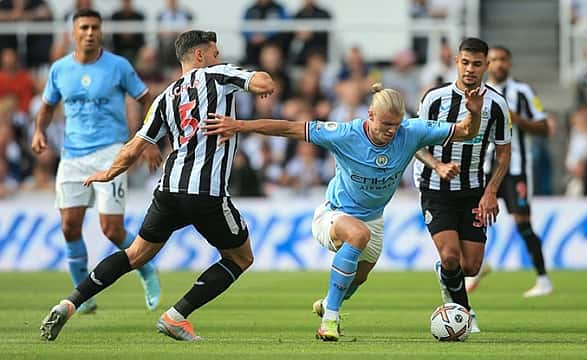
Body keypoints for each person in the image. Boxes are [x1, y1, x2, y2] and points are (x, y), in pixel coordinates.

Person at [39, 29, 275, 342]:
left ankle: (69, 303)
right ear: (200, 56)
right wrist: (255, 86)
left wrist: (109, 173)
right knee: (240, 258)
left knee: (135, 253)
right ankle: (176, 316)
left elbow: (136, 145)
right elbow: (265, 83)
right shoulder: (217, 74)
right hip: (206, 192)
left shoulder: (165, 97)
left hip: (168, 190)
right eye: (214, 53)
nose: (218, 58)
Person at [202, 82, 485, 341]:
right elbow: (288, 128)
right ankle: (330, 320)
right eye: (385, 124)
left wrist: (474, 113)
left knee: (357, 278)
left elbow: (465, 131)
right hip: (333, 215)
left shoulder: (411, 131)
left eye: (396, 126)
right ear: (370, 115)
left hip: (373, 220)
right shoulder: (344, 134)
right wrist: (239, 124)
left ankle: (328, 302)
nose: (391, 131)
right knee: (357, 235)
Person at [31, 9, 162, 314]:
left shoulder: (118, 66)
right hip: (73, 155)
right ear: (73, 33)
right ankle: (84, 296)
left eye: (95, 27)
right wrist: (39, 130)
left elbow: (147, 100)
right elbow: (48, 105)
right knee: (69, 226)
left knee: (111, 229)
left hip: (110, 153)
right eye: (84, 27)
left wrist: (149, 141)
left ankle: (146, 268)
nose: (90, 32)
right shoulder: (60, 69)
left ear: (101, 31)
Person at [413, 37, 512, 333]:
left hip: (473, 191)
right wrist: (438, 166)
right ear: (456, 61)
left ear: (486, 65)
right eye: (465, 62)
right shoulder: (434, 98)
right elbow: (415, 143)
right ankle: (463, 313)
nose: (470, 69)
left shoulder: (497, 104)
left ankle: (446, 276)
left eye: (477, 64)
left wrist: (491, 191)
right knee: (451, 256)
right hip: (435, 189)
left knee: (471, 267)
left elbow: (504, 152)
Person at [470, 45, 554, 297]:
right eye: (493, 60)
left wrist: (518, 120)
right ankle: (477, 266)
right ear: (486, 64)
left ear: (510, 62)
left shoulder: (522, 91)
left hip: (516, 167)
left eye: (503, 59)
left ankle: (543, 279)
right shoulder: (478, 94)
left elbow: (544, 128)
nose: (498, 64)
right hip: (484, 166)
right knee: (474, 219)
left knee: (522, 223)